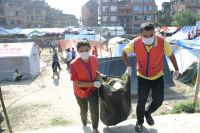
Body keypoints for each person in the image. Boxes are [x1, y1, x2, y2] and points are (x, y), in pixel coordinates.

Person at [122, 22, 179, 132]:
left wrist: (176, 69)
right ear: (140, 35)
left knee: (159, 100)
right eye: (145, 36)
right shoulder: (135, 42)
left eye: (151, 35)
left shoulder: (162, 43)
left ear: (155, 33)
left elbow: (171, 55)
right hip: (142, 76)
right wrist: (128, 66)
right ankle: (139, 122)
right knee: (141, 101)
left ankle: (148, 112)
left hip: (157, 76)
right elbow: (124, 52)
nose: (149, 38)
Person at [70, 40, 104, 133]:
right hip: (80, 91)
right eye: (81, 51)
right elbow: (77, 83)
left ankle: (95, 128)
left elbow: (93, 71)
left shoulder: (94, 59)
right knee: (84, 110)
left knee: (94, 110)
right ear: (77, 51)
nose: (84, 52)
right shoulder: (73, 64)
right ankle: (84, 123)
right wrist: (93, 84)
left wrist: (100, 75)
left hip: (92, 90)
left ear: (89, 50)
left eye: (86, 50)